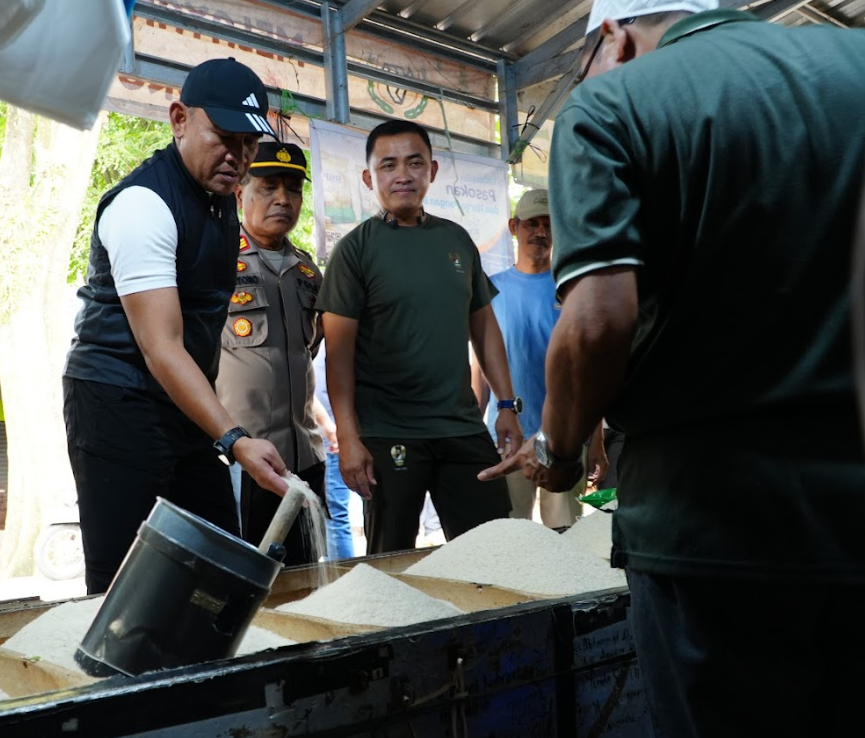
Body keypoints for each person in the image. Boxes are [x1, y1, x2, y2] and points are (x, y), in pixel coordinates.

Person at [480, 1, 865, 735]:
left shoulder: (615, 103)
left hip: (713, 541)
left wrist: (559, 452)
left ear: (613, 38)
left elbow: (596, 323)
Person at [64, 58, 289, 594]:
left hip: (180, 407)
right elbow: (161, 346)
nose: (237, 155)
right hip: (115, 402)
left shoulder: (220, 203)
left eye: (248, 143)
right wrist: (234, 437)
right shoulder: (143, 205)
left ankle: (207, 676)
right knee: (126, 584)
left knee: (215, 568)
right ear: (179, 119)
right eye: (223, 136)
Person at [318, 120, 517, 554]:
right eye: (388, 165)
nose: (402, 174)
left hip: (461, 426)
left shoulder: (456, 240)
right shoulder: (354, 251)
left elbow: (484, 328)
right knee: (394, 567)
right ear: (370, 177)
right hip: (389, 433)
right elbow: (338, 357)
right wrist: (350, 439)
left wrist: (505, 404)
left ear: (433, 171)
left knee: (497, 553)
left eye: (414, 163)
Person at [217, 142, 325, 564]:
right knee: (244, 577)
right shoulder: (217, 262)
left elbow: (309, 350)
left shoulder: (308, 272)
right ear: (241, 193)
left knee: (304, 576)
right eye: (268, 187)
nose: (283, 198)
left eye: (293, 188)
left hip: (304, 457)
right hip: (242, 459)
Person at [477, 190, 607, 529]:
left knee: (565, 539)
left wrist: (596, 442)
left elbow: (588, 373)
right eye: (531, 224)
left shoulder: (572, 290)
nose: (540, 232)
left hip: (565, 440)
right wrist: (474, 436)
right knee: (512, 540)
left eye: (549, 225)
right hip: (508, 438)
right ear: (513, 227)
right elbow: (479, 371)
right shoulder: (490, 290)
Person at [312, 348, 354, 560]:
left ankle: (344, 579)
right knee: (336, 514)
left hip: (334, 436)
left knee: (335, 515)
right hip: (333, 434)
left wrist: (329, 425)